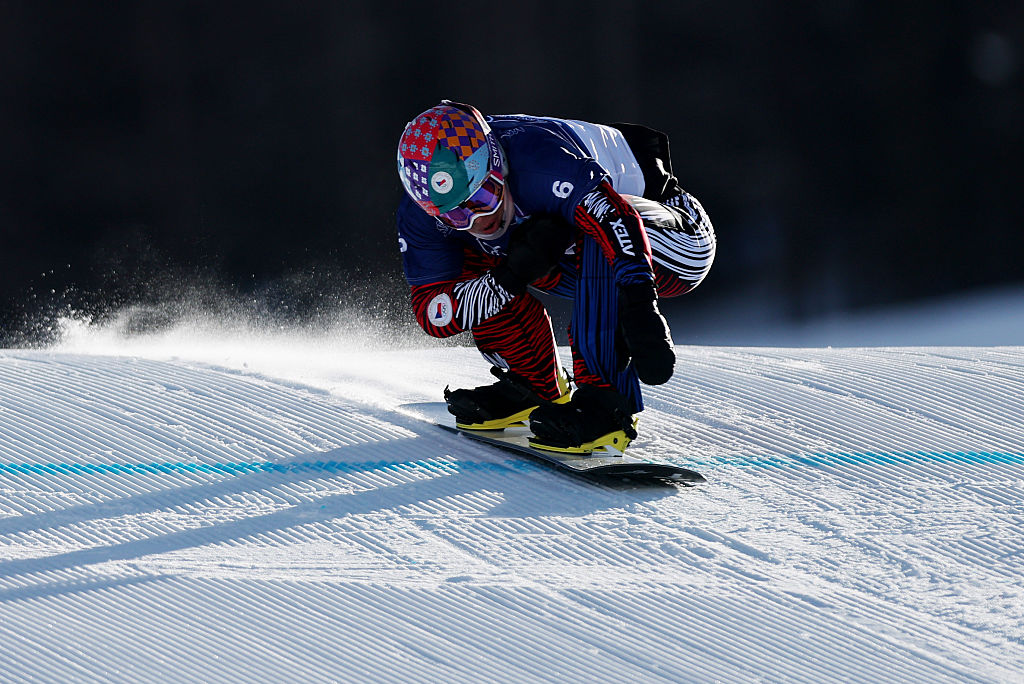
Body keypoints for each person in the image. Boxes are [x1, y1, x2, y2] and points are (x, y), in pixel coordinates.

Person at [396, 101, 715, 453]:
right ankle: (534, 382)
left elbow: (615, 219)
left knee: (591, 227)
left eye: (484, 196)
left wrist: (641, 304)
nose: (478, 220)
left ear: (497, 164)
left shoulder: (539, 158)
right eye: (457, 215)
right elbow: (433, 313)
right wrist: (507, 278)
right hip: (578, 249)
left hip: (676, 237)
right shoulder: (421, 215)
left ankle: (606, 404)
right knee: (470, 257)